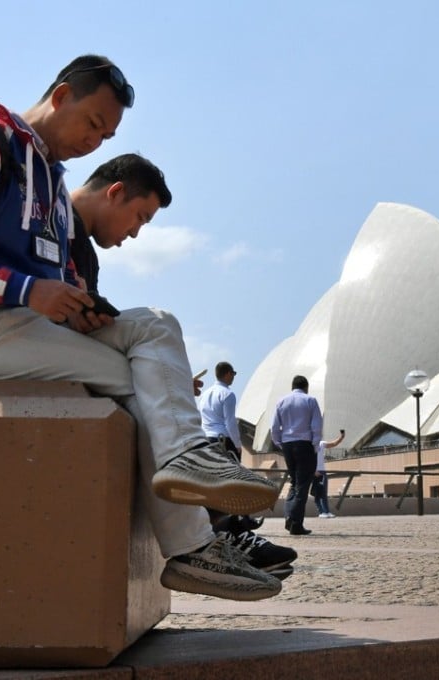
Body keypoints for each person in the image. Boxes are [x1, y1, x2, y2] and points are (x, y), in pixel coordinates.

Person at [0, 59, 281, 601]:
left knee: (155, 326)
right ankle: (192, 547)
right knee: (135, 381)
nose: (95, 141)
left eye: (106, 134)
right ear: (61, 97)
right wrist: (28, 291)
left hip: (24, 326)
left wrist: (77, 308)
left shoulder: (53, 186)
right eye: (92, 123)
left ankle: (186, 461)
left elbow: (51, 286)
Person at [69, 166, 298, 580]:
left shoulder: (80, 248)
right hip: (3, 342)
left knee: (156, 405)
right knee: (157, 327)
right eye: (140, 216)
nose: (136, 233)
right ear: (115, 193)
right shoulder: (45, 215)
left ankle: (208, 540)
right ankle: (214, 533)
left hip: (64, 354)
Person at [271, 375, 323, 536]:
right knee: (302, 485)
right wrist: (314, 446)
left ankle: (289, 516)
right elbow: (316, 426)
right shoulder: (310, 400)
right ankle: (295, 523)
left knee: (294, 482)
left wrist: (280, 443)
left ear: (292, 386)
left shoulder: (281, 401)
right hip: (304, 444)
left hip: (287, 444)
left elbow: (274, 427)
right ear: (306, 387)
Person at [313, 430, 345, 518]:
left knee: (323, 492)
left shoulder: (321, 444)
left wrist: (341, 437)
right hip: (313, 472)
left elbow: (333, 444)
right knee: (316, 493)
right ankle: (322, 512)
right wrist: (313, 471)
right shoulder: (309, 445)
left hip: (322, 471)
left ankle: (326, 512)